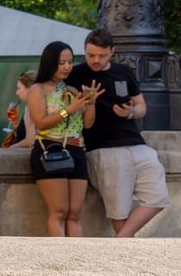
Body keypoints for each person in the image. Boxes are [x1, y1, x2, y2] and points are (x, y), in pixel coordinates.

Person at [66, 29, 171, 237]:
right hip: (103, 149)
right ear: (85, 51)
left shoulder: (124, 72)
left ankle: (120, 243)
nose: (95, 60)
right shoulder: (76, 74)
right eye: (90, 55)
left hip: (137, 144)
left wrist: (131, 112)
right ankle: (125, 251)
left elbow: (142, 106)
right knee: (119, 214)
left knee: (158, 197)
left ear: (112, 52)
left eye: (101, 55)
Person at [27, 40, 103, 237]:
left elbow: (87, 124)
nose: (67, 66)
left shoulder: (72, 91)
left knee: (74, 213)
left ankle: (77, 258)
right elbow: (40, 122)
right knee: (59, 211)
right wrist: (68, 110)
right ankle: (60, 258)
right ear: (50, 62)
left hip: (76, 149)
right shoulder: (38, 90)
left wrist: (91, 103)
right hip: (51, 148)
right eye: (61, 62)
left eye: (70, 62)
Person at [3, 71, 37, 149]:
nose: (16, 93)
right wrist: (17, 125)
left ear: (30, 88)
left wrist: (10, 149)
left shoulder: (31, 108)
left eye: (19, 88)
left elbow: (30, 141)